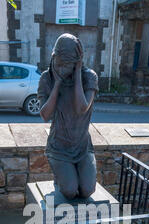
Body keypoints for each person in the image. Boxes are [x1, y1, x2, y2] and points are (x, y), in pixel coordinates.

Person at [37, 33, 99, 200]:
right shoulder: (46, 78)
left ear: (77, 62)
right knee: (70, 191)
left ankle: (73, 172)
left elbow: (81, 108)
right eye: (59, 63)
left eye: (68, 64)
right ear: (53, 58)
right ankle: (62, 177)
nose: (63, 68)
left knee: (87, 191)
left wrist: (78, 72)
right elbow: (45, 115)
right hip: (58, 148)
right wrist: (57, 83)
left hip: (82, 147)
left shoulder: (89, 77)